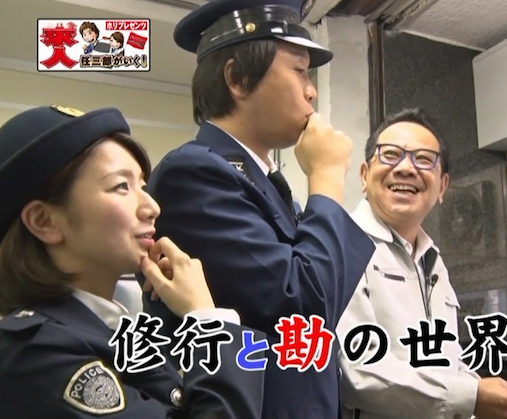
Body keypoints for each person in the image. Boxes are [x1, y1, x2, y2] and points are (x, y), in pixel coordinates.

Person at [140, 0, 376, 418]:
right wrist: (326, 175)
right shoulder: (193, 173)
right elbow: (304, 308)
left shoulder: (265, 182)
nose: (311, 91)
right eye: (299, 70)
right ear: (237, 78)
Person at [0, 105, 265, 418]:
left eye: (142, 185)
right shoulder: (35, 350)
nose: (152, 207)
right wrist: (207, 320)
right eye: (121, 186)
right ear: (44, 221)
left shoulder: (108, 327)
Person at [336, 108, 507, 419]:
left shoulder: (432, 261)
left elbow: (443, 360)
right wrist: (472, 397)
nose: (406, 168)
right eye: (390, 155)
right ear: (364, 175)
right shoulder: (341, 245)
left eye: (423, 159)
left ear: (442, 187)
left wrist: (488, 391)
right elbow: (358, 371)